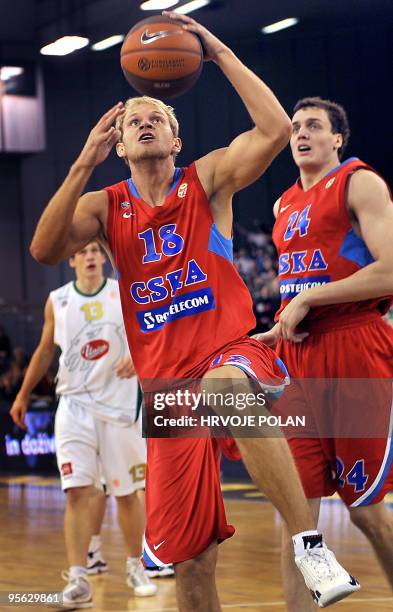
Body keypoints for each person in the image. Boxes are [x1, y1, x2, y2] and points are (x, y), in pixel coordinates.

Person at [29, 12, 359, 611]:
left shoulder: (205, 181)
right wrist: (81, 163)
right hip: (167, 388)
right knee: (192, 563)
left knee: (226, 382)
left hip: (229, 351)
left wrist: (218, 52)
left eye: (157, 116)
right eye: (134, 121)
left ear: (176, 140)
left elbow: (274, 128)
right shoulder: (105, 205)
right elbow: (45, 247)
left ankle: (310, 544)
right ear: (120, 145)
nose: (146, 122)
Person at [257, 96, 393, 610]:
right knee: (298, 516)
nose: (301, 134)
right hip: (298, 358)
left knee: (365, 513)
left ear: (338, 138)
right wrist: (286, 317)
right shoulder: (282, 204)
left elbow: (391, 269)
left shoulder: (360, 182)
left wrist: (310, 298)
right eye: (294, 127)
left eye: (314, 125)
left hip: (356, 346)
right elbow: (300, 281)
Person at [10, 241, 157, 608]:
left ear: (104, 257)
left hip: (120, 405)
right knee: (77, 491)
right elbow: (45, 350)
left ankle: (136, 566)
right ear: (72, 260)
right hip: (74, 406)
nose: (91, 256)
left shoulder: (124, 294)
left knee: (126, 492)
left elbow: (154, 334)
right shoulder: (57, 300)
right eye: (84, 251)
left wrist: (139, 361)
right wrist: (23, 394)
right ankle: (78, 578)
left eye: (96, 249)